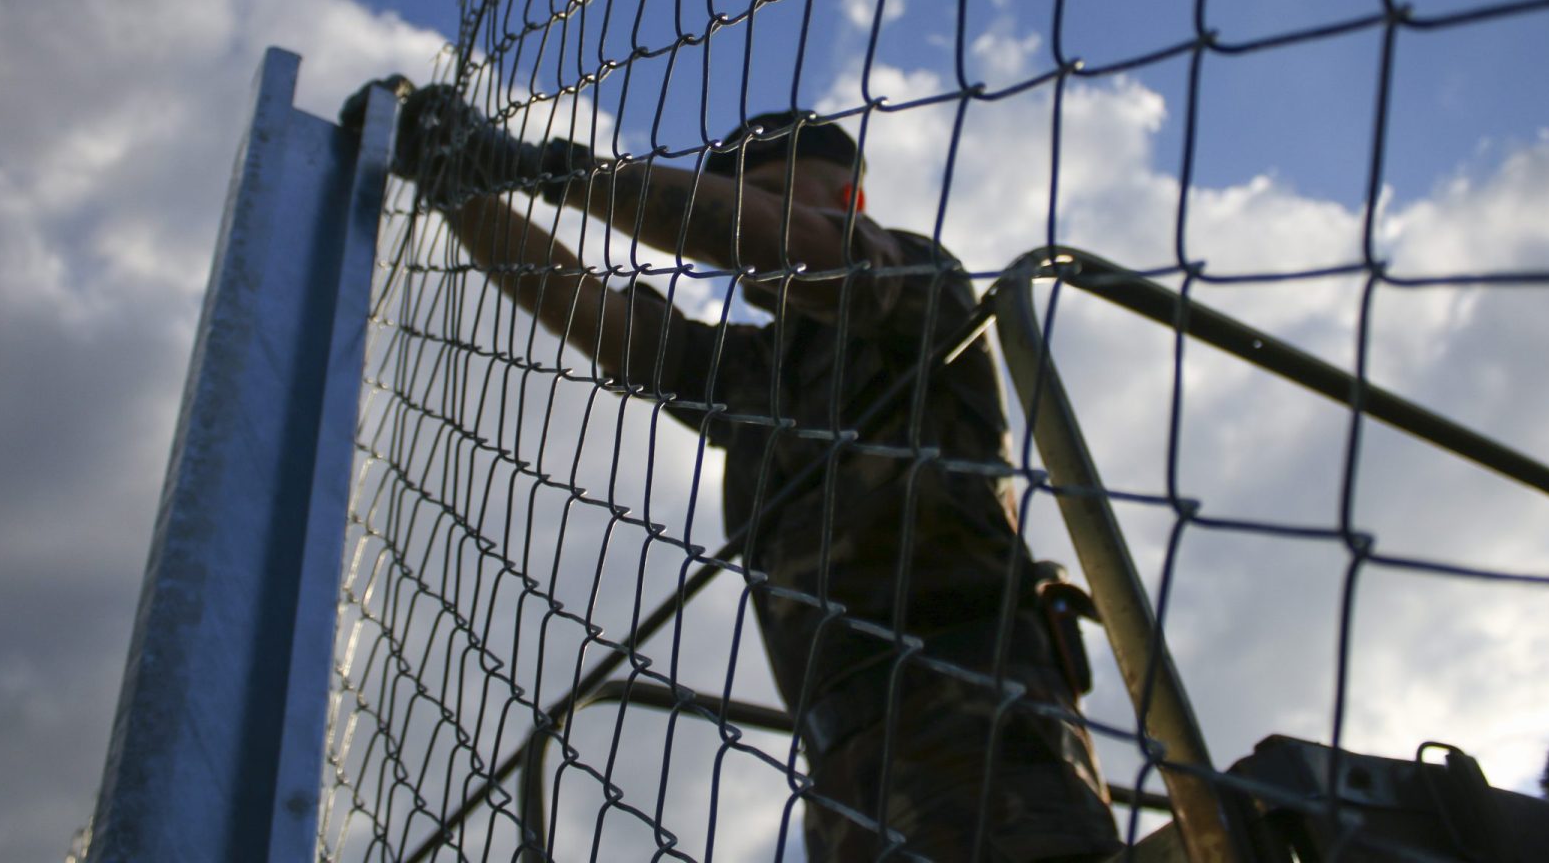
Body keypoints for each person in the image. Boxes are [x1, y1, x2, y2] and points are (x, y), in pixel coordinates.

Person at [353, 78, 1122, 861]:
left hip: (978, 719)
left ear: (852, 200)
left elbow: (796, 248)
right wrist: (457, 183)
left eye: (780, 194)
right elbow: (600, 319)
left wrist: (537, 166)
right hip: (839, 764)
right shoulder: (758, 372)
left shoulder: (918, 286)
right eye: (741, 197)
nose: (758, 215)